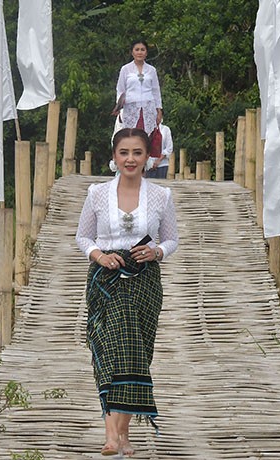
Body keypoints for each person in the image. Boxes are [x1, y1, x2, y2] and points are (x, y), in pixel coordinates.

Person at [76, 128, 178, 456]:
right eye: (124, 153)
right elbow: (83, 237)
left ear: (148, 158)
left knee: (135, 353)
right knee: (108, 351)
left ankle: (123, 432)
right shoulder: (97, 194)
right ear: (114, 156)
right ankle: (111, 433)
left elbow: (171, 239)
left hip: (145, 280)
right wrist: (100, 256)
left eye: (137, 153)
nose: (130, 159)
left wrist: (157, 252)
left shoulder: (162, 196)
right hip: (106, 281)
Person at [111, 40, 163, 136]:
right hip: (131, 108)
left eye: (142, 50)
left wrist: (159, 110)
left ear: (146, 53)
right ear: (132, 52)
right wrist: (119, 105)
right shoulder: (125, 69)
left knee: (147, 137)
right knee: (132, 136)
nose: (140, 52)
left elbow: (156, 91)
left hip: (148, 108)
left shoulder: (152, 70)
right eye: (137, 49)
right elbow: (120, 89)